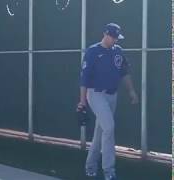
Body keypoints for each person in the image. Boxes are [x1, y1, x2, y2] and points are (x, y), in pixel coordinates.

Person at [77, 23, 139, 180]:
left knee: (101, 133)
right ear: (105, 34)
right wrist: (82, 101)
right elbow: (84, 79)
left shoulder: (118, 51)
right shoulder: (93, 51)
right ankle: (109, 171)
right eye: (113, 37)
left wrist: (131, 91)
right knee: (109, 127)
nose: (115, 40)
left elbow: (124, 72)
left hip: (112, 96)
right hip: (96, 94)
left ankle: (90, 166)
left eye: (117, 38)